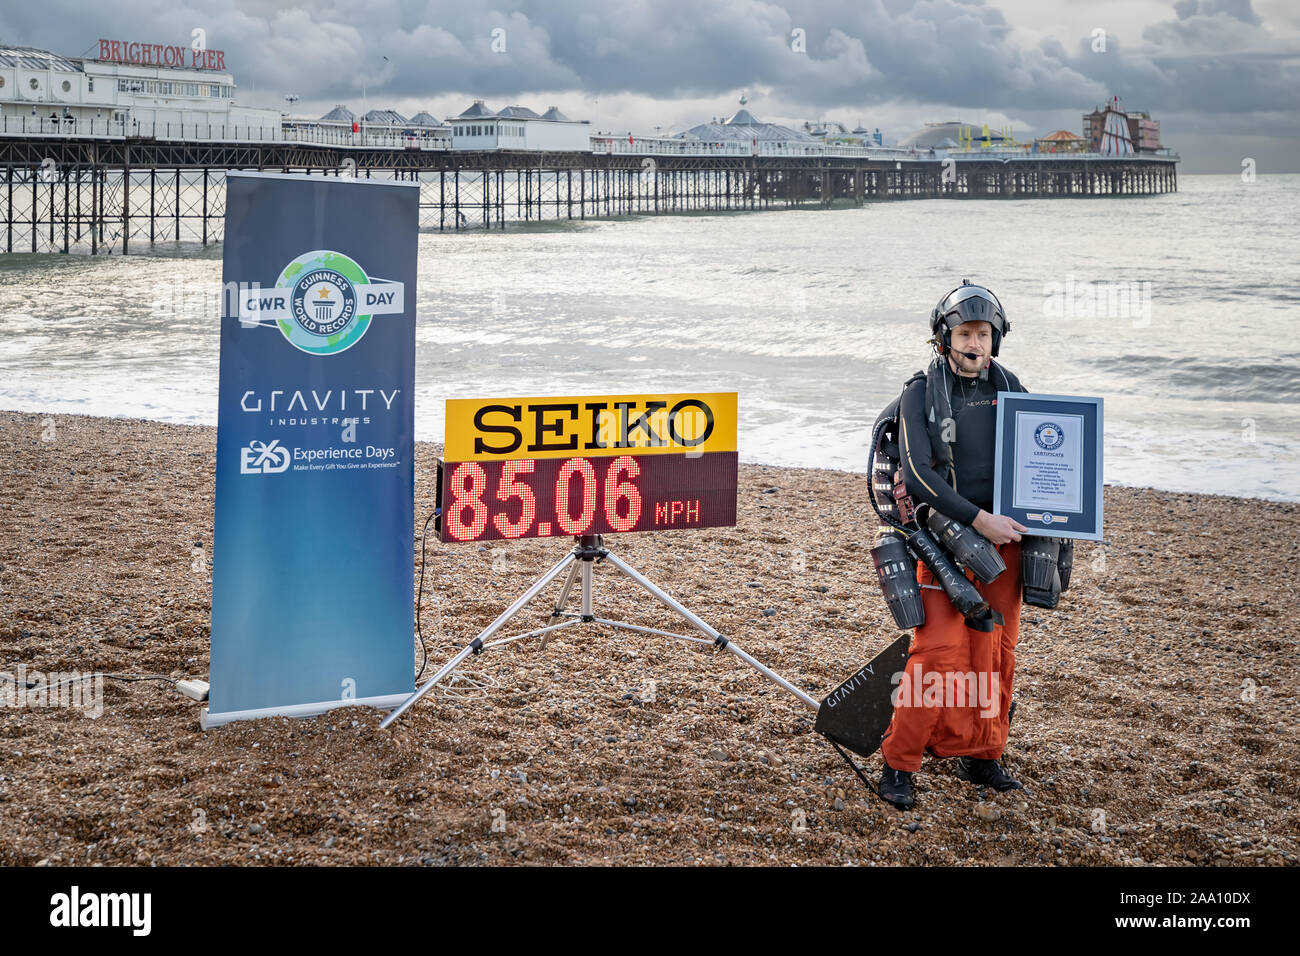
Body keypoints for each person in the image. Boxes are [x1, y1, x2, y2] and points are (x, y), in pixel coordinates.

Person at [877, 280, 1030, 810]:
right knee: (938, 650)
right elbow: (918, 475)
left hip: (1006, 541)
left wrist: (1052, 513)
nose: (974, 343)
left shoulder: (1012, 387)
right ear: (944, 338)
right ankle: (899, 763)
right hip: (940, 541)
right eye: (965, 332)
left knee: (996, 652)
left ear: (996, 339)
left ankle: (984, 756)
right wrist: (978, 520)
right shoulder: (919, 393)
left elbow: (1046, 458)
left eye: (983, 334)